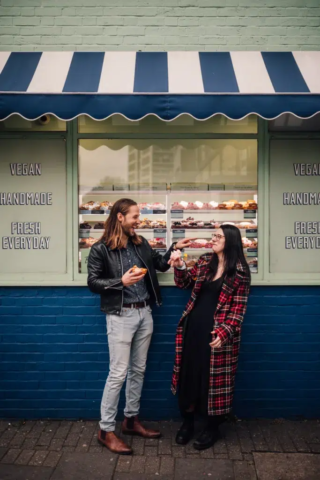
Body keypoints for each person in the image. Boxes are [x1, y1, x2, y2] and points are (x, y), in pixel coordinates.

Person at [87, 198, 192, 455]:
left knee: (138, 370)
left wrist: (174, 248)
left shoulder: (140, 242)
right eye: (135, 216)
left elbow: (159, 264)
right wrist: (120, 281)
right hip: (120, 315)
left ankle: (131, 420)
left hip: (145, 312)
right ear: (120, 217)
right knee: (118, 373)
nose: (139, 220)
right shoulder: (101, 248)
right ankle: (106, 429)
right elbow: (92, 282)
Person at [168, 224, 251, 451]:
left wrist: (224, 332)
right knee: (189, 375)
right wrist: (180, 265)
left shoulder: (240, 271)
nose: (213, 239)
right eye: (213, 235)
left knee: (214, 381)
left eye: (218, 237)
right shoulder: (205, 261)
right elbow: (184, 282)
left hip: (217, 335)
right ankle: (187, 423)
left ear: (231, 241)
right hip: (193, 329)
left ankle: (212, 427)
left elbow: (238, 310)